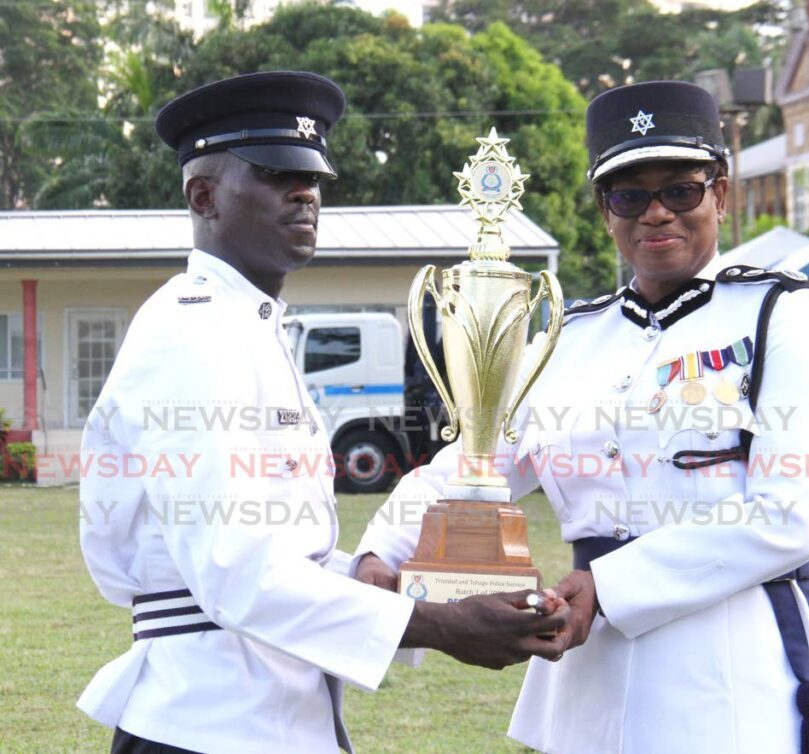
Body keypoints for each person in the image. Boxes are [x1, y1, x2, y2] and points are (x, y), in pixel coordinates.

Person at [354, 81, 809, 753]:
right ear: (604, 210)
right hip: (591, 682)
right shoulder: (570, 339)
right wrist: (383, 550)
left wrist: (607, 585)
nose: (656, 214)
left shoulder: (784, 314)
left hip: (740, 679)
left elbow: (793, 512)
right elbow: (474, 466)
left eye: (681, 190)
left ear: (720, 194)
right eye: (628, 196)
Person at [77, 71, 570, 754]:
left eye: (312, 179)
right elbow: (238, 574)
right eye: (276, 176)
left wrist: (371, 575)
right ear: (204, 196)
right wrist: (435, 623)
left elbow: (275, 553)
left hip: (260, 711)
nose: (305, 193)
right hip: (211, 722)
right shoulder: (193, 333)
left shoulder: (245, 326)